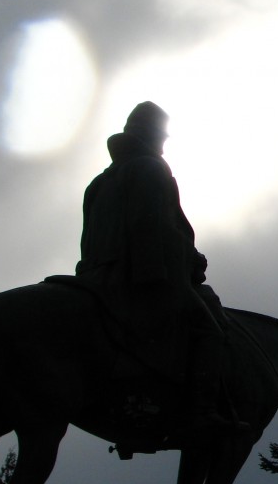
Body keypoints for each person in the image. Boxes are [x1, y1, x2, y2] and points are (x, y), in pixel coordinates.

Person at [76, 101, 235, 434]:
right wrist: (168, 274)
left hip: (93, 278)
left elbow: (89, 241)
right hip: (138, 277)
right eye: (161, 134)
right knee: (209, 331)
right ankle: (201, 411)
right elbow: (150, 228)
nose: (164, 141)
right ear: (151, 136)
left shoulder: (98, 183)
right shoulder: (151, 169)